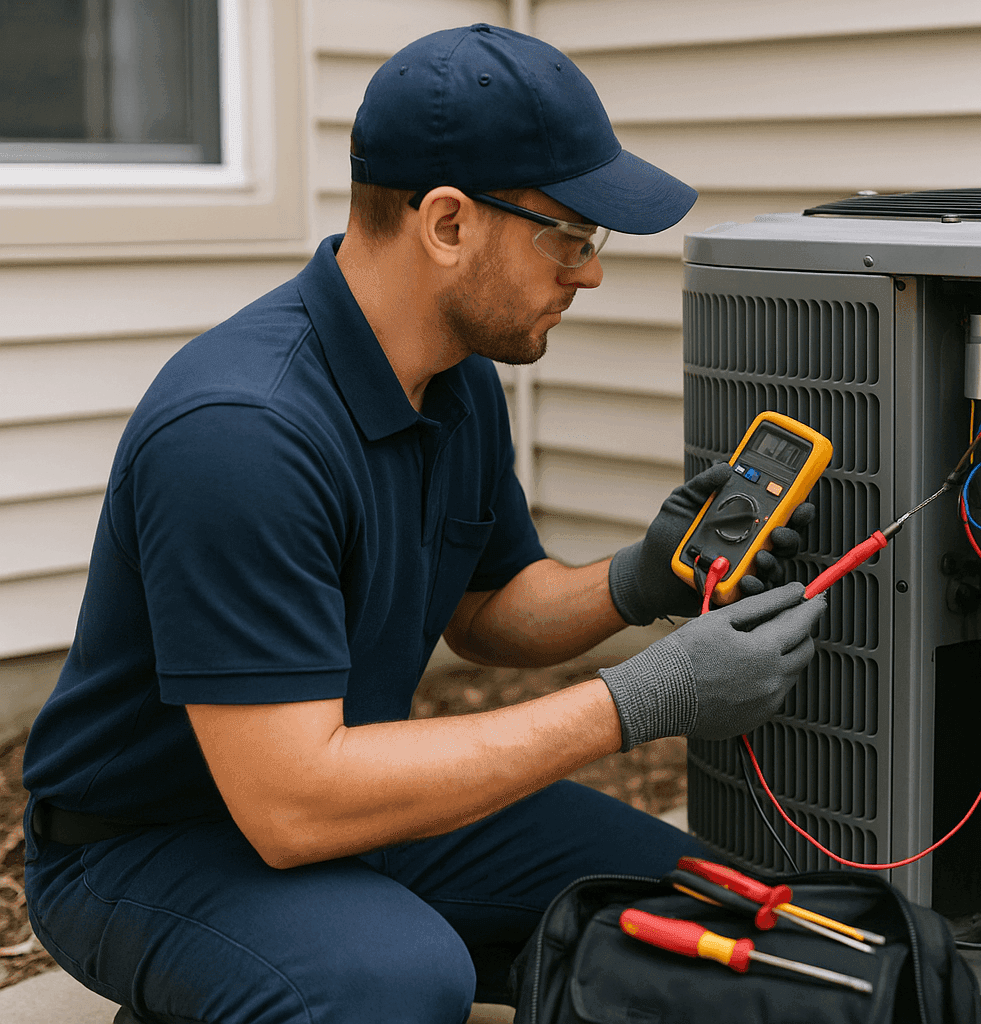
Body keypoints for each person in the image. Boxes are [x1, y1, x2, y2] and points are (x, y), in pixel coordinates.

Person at [22, 25, 825, 1024]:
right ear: (447, 223)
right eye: (570, 237)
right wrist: (633, 703)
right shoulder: (241, 434)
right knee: (395, 981)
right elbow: (291, 804)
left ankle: (328, 941)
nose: (590, 273)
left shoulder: (459, 384)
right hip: (152, 840)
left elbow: (486, 608)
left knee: (711, 911)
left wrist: (638, 579)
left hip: (358, 787)